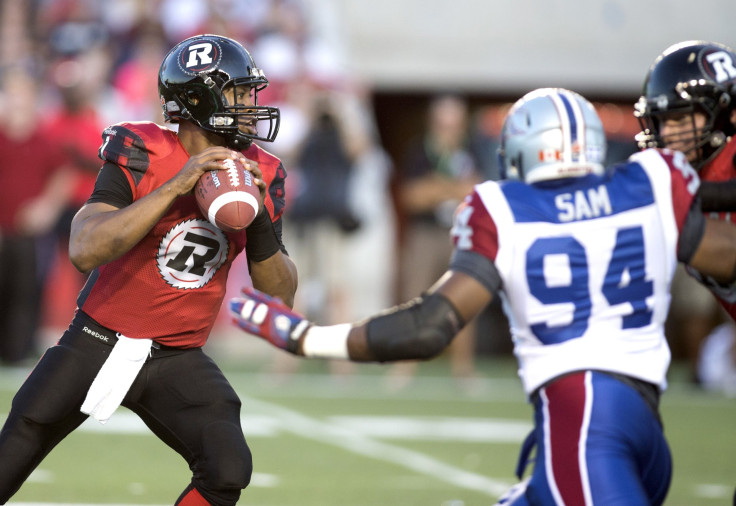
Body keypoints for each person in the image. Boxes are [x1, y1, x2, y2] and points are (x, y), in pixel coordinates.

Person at [230, 88, 736, 505]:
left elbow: (432, 326)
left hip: (582, 422)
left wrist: (307, 338)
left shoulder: (503, 206)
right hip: (644, 419)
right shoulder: (649, 182)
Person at [0, 34, 297, 506]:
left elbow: (279, 293)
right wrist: (175, 187)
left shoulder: (263, 170)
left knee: (227, 468)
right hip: (98, 338)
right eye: (240, 94)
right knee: (11, 456)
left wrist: (260, 218)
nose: (250, 106)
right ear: (201, 99)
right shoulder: (143, 149)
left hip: (177, 356)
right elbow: (84, 248)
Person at [634, 40, 736, 378]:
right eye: (662, 121)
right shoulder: (686, 175)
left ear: (726, 113)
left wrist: (684, 198)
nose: (667, 133)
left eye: (680, 119)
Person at [392, 94, 483, 388]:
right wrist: (452, 188)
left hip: (460, 233)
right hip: (426, 235)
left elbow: (478, 191)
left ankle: (463, 371)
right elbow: (413, 197)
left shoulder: (471, 149)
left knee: (464, 300)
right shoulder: (419, 149)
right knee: (414, 299)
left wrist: (437, 187)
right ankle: (404, 369)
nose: (449, 130)